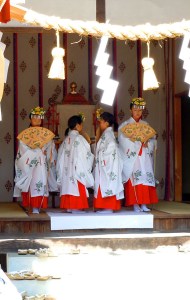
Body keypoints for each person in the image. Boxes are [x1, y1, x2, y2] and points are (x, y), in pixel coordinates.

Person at [13, 106, 57, 214]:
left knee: (41, 182)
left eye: (39, 118)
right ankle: (31, 206)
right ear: (30, 119)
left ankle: (38, 206)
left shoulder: (47, 135)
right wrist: (37, 151)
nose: (37, 120)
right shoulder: (25, 135)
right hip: (30, 164)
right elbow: (23, 150)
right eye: (34, 117)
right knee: (32, 182)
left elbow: (50, 149)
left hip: (42, 163)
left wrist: (47, 150)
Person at [118, 97, 158, 212]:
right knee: (135, 179)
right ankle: (135, 204)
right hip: (133, 157)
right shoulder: (124, 125)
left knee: (145, 178)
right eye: (135, 110)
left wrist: (148, 143)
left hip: (144, 156)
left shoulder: (145, 124)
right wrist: (135, 142)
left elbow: (153, 140)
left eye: (140, 110)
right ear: (131, 110)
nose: (137, 112)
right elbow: (122, 141)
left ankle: (144, 203)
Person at [56, 115, 94, 213]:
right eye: (81, 125)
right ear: (77, 125)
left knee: (68, 185)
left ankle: (69, 206)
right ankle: (76, 207)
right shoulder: (79, 138)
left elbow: (60, 156)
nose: (82, 127)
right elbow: (85, 154)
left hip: (67, 170)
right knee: (76, 186)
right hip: (77, 168)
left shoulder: (66, 140)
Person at [93, 112, 124, 213]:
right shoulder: (107, 133)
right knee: (106, 183)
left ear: (106, 123)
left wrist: (101, 154)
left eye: (101, 122)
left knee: (107, 183)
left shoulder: (108, 134)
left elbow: (111, 148)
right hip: (106, 163)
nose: (99, 124)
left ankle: (108, 207)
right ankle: (106, 207)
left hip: (108, 163)